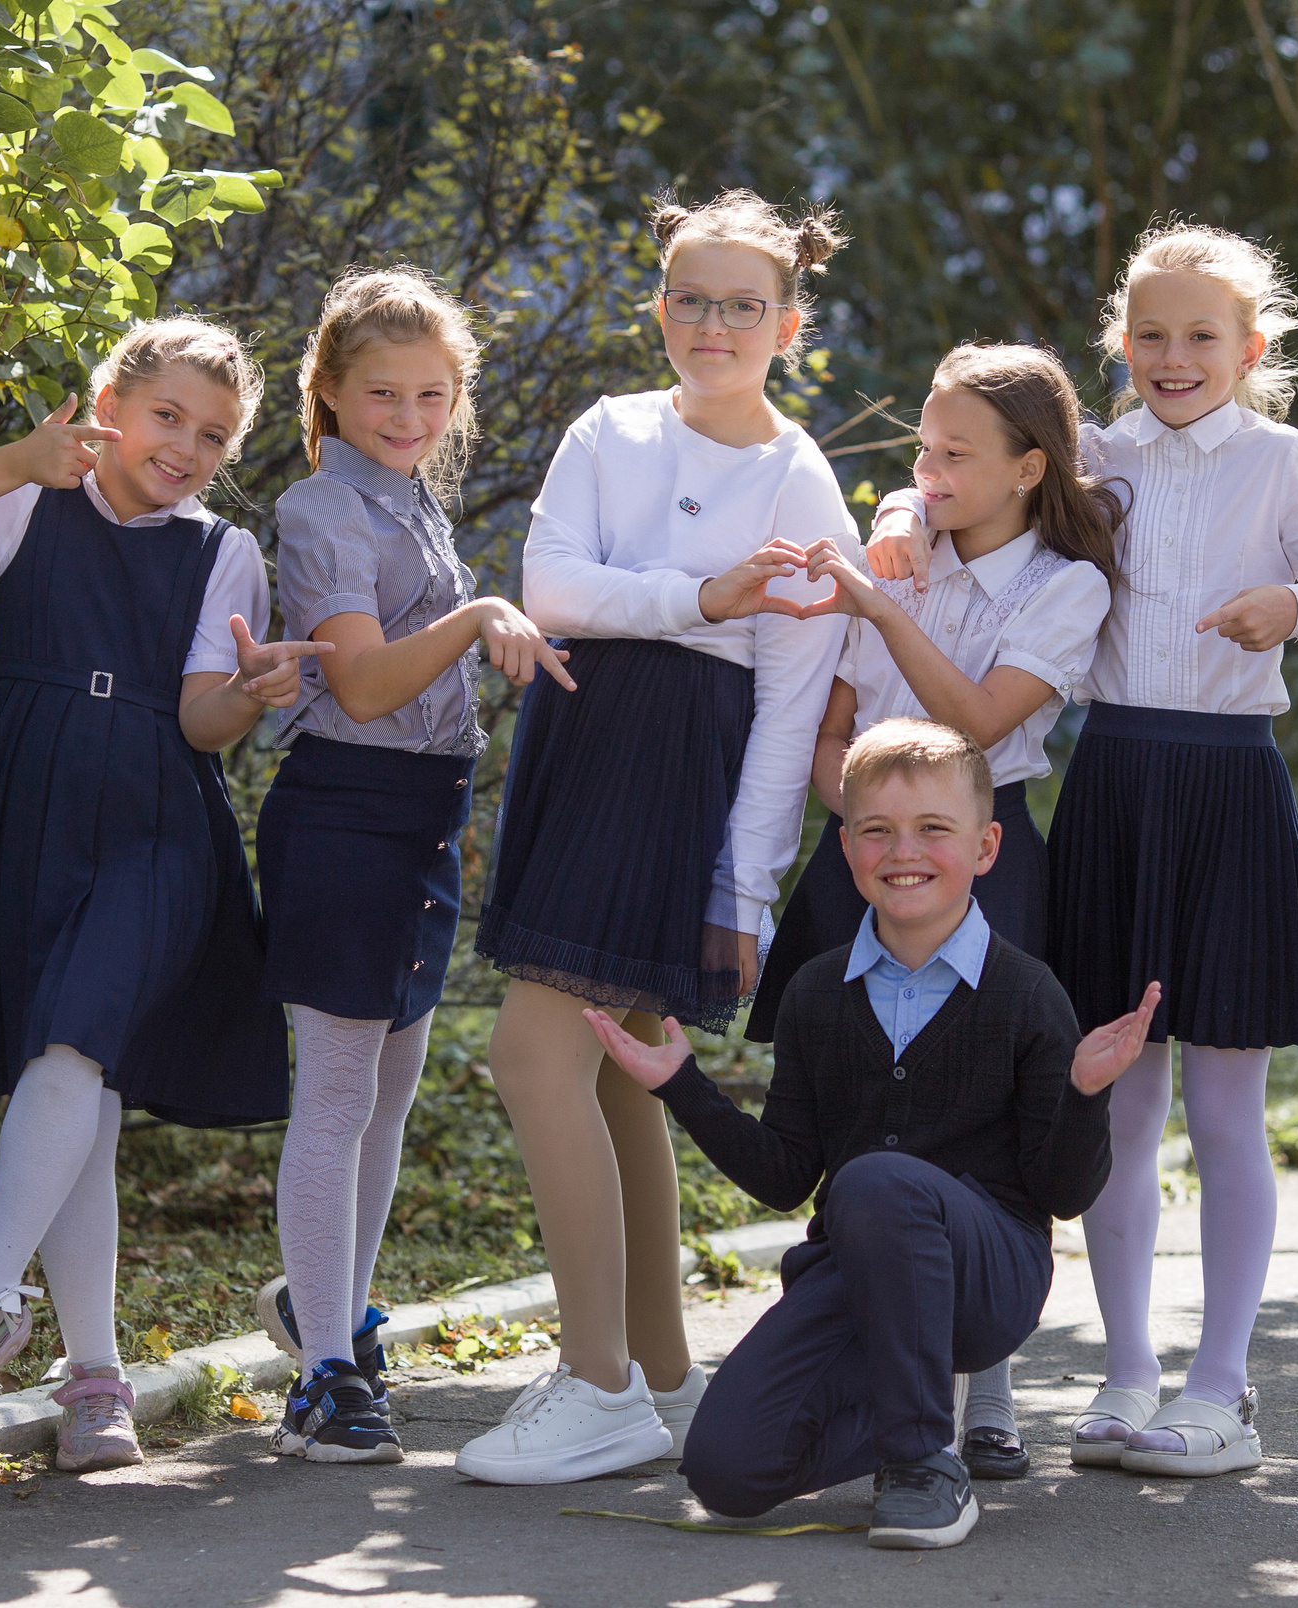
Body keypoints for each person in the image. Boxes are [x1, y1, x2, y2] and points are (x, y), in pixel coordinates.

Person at [869, 222, 1298, 1476]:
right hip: (1113, 784)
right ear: (1119, 343)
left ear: (1251, 349)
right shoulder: (1096, 459)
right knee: (1119, 1094)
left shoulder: (1283, 458)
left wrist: (1291, 609)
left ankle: (1222, 1384)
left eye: (1201, 335)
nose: (1172, 355)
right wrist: (888, 515)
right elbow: (958, 485)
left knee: (1224, 1103)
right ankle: (1129, 1370)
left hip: (1231, 788)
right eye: (1148, 333)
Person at [0, 318, 326, 1471]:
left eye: (213, 436)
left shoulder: (223, 552)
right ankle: (97, 1381)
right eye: (167, 416)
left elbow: (201, 722)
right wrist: (18, 457)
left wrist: (253, 698)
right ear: (108, 399)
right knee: (76, 1096)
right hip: (28, 810)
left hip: (159, 826)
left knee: (71, 1052)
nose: (187, 447)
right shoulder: (26, 505)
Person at [455, 190, 854, 1485]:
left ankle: (600, 1385)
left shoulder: (799, 479)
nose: (713, 324)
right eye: (691, 297)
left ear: (788, 324)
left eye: (744, 304)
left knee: (534, 1053)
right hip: (580, 754)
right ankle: (653, 1359)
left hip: (680, 774)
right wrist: (697, 595)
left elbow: (790, 707)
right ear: (661, 306)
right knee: (619, 1063)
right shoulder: (608, 429)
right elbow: (554, 587)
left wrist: (743, 882)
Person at [588, 719, 1161, 1549]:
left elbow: (1063, 1196)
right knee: (725, 1471)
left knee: (877, 1177)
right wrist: (682, 1087)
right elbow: (787, 1174)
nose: (906, 851)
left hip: (987, 1275)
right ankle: (905, 1416)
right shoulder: (817, 993)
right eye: (877, 831)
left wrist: (1082, 1096)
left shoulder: (1027, 993)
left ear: (987, 846)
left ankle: (927, 1463)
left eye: (934, 829)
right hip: (856, 1273)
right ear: (848, 844)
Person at [755, 341, 1119, 1479]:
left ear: (1028, 467)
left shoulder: (1068, 586)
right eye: (922, 445)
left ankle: (991, 1390)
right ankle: (861, 1359)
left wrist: (882, 598)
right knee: (855, 1103)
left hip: (989, 853)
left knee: (992, 1115)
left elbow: (971, 717)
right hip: (871, 856)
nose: (929, 465)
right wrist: (874, 829)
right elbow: (837, 727)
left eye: (956, 451)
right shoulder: (898, 549)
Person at [250, 268, 573, 1465]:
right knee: (334, 1096)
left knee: (387, 1096)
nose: (408, 415)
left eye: (432, 395)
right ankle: (322, 1381)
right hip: (343, 815)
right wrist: (479, 613)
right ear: (327, 392)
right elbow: (370, 680)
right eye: (382, 393)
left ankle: (330, 1321)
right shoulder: (321, 509)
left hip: (424, 819)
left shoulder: (407, 502)